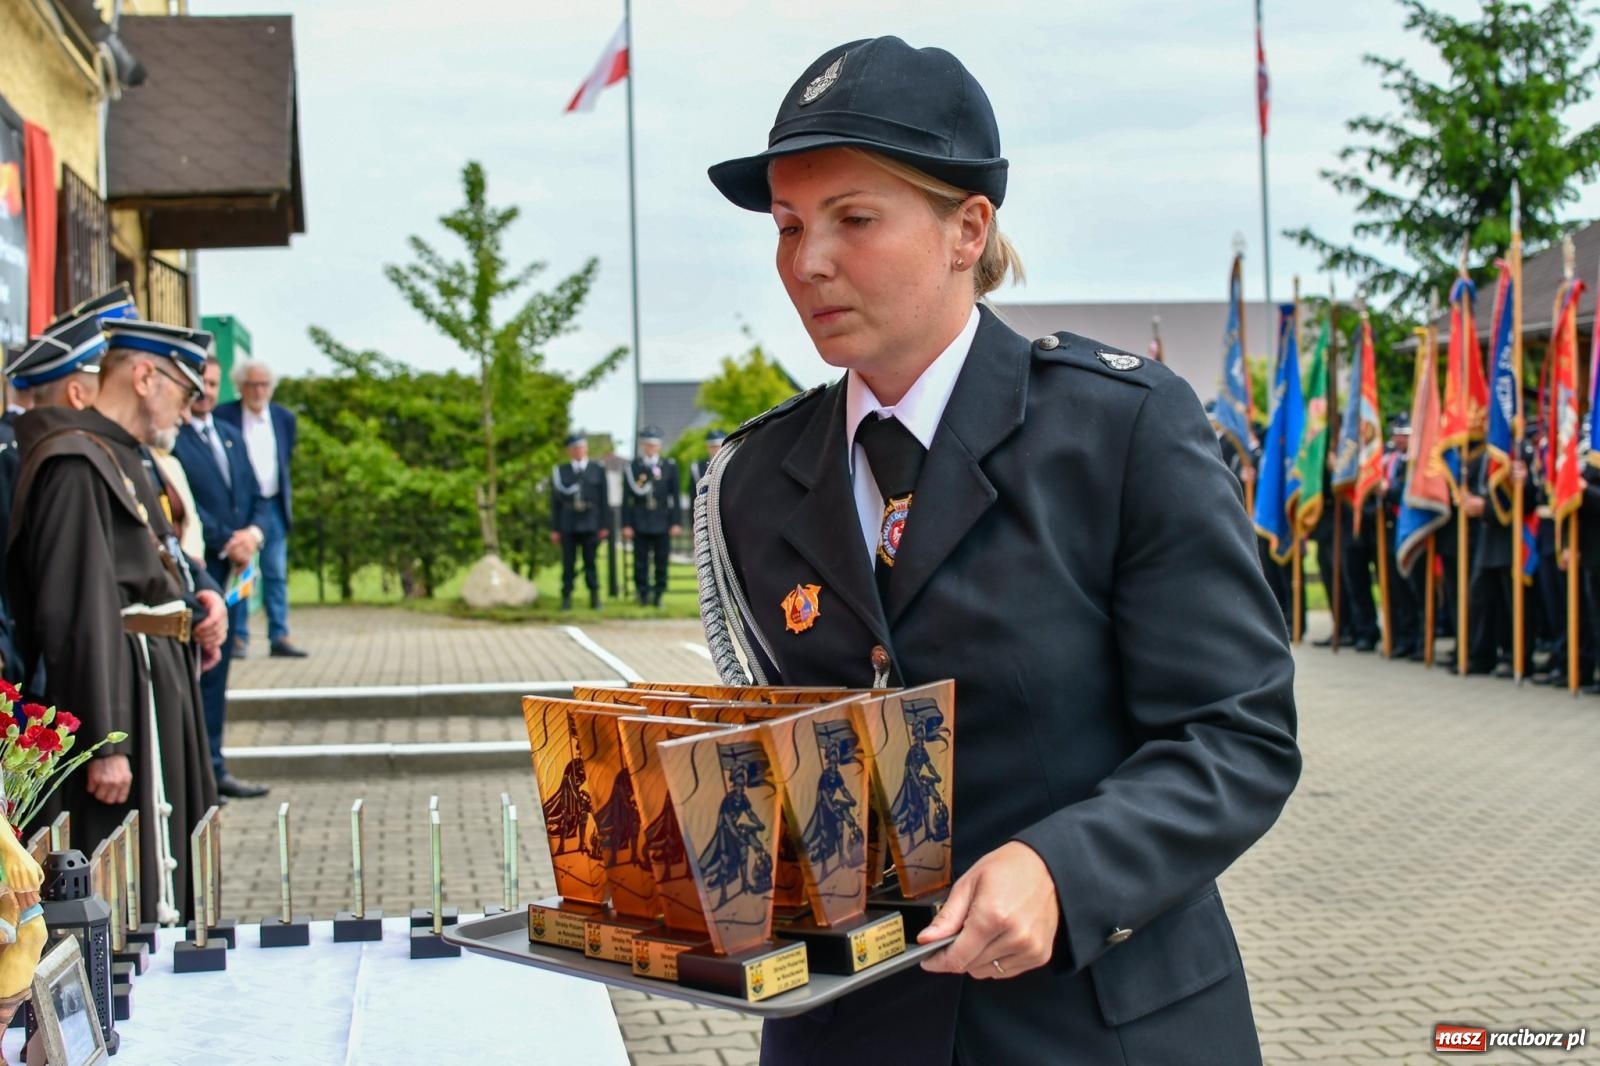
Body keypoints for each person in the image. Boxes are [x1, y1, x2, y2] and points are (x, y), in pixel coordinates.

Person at [694, 37, 1299, 1065]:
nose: (808, 262)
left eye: (852, 219)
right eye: (789, 226)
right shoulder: (750, 478)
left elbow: (1235, 733)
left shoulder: (1115, 432)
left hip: (1094, 1023)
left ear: (966, 228)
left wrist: (1064, 870)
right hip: (851, 1032)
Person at [5, 317, 226, 925]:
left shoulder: (117, 453)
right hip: (124, 696)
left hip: (154, 683)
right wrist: (107, 740)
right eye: (185, 391)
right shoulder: (75, 460)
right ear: (144, 374)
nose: (190, 408)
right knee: (126, 879)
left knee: (174, 863)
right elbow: (77, 610)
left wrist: (193, 602)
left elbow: (159, 561)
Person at [173, 354, 272, 799]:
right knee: (197, 676)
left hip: (233, 575)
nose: (207, 392)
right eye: (201, 383)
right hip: (201, 569)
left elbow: (256, 495)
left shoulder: (231, 437)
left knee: (220, 675)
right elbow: (186, 506)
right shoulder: (172, 440)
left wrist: (251, 534)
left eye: (213, 384)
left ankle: (216, 766)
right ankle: (197, 775)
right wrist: (224, 539)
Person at [214, 357, 305, 658]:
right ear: (240, 387)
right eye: (251, 385)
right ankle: (237, 636)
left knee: (275, 572)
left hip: (272, 504)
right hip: (240, 506)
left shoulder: (283, 418)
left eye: (263, 385)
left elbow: (284, 458)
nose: (258, 391)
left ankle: (280, 634)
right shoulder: (224, 415)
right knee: (241, 570)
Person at [549, 430, 610, 611]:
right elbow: (555, 502)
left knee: (590, 562)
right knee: (568, 563)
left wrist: (603, 525)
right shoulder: (561, 471)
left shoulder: (596, 469)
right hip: (568, 522)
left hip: (590, 521)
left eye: (582, 447)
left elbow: (603, 500)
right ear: (569, 451)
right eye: (575, 448)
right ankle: (566, 597)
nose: (579, 451)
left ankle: (595, 596)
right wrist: (555, 528)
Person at [621, 426, 680, 606]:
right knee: (640, 560)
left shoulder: (668, 466)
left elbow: (675, 497)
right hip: (640, 518)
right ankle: (642, 593)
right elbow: (626, 499)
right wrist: (627, 524)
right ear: (642, 446)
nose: (651, 449)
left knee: (661, 560)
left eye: (654, 445)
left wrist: (675, 522)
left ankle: (659, 594)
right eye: (647, 445)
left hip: (662, 519)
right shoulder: (634, 467)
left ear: (659, 447)